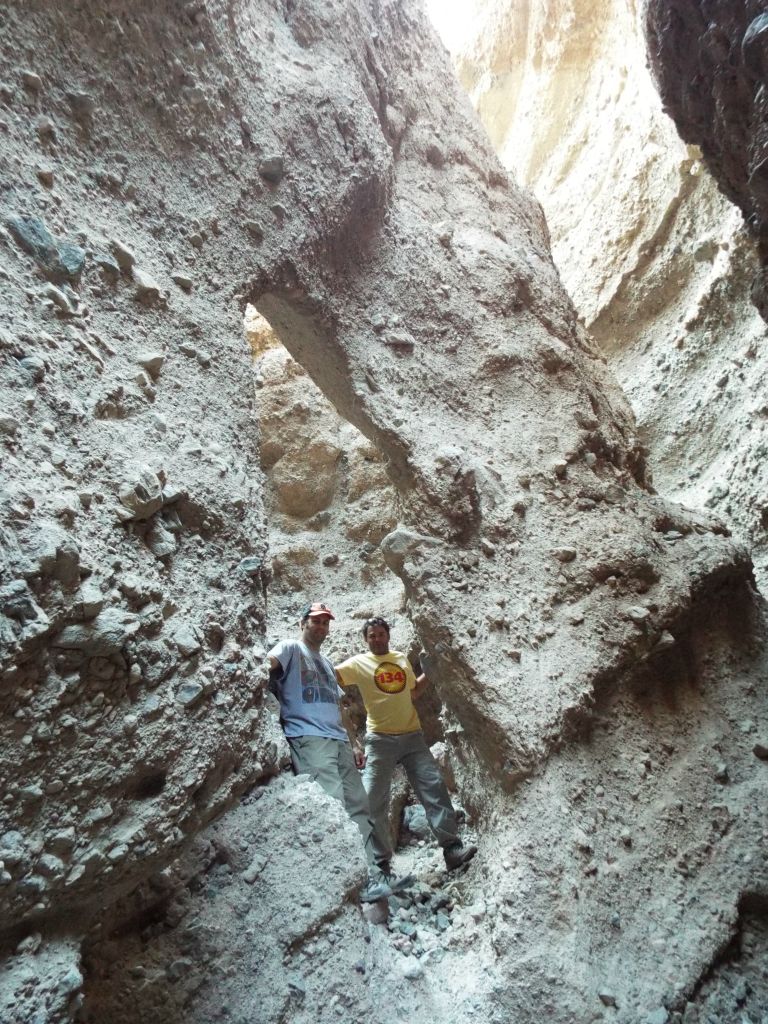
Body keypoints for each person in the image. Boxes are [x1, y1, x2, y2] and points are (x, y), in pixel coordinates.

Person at [267, 602, 412, 902]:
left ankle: (373, 874)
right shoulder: (290, 648)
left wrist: (355, 742)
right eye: (315, 622)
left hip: (338, 740)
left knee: (359, 806)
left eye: (325, 623)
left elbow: (339, 705)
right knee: (332, 807)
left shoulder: (326, 663)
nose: (320, 627)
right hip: (308, 736)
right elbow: (266, 666)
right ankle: (352, 882)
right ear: (302, 623)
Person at [335, 617, 477, 872]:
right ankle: (379, 862)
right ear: (365, 639)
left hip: (412, 736)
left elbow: (412, 692)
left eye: (380, 634)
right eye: (372, 635)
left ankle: (452, 848)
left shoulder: (400, 659)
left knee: (434, 787)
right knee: (372, 798)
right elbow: (331, 676)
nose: (377, 638)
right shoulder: (358, 663)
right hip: (379, 740)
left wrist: (429, 673)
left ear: (388, 636)